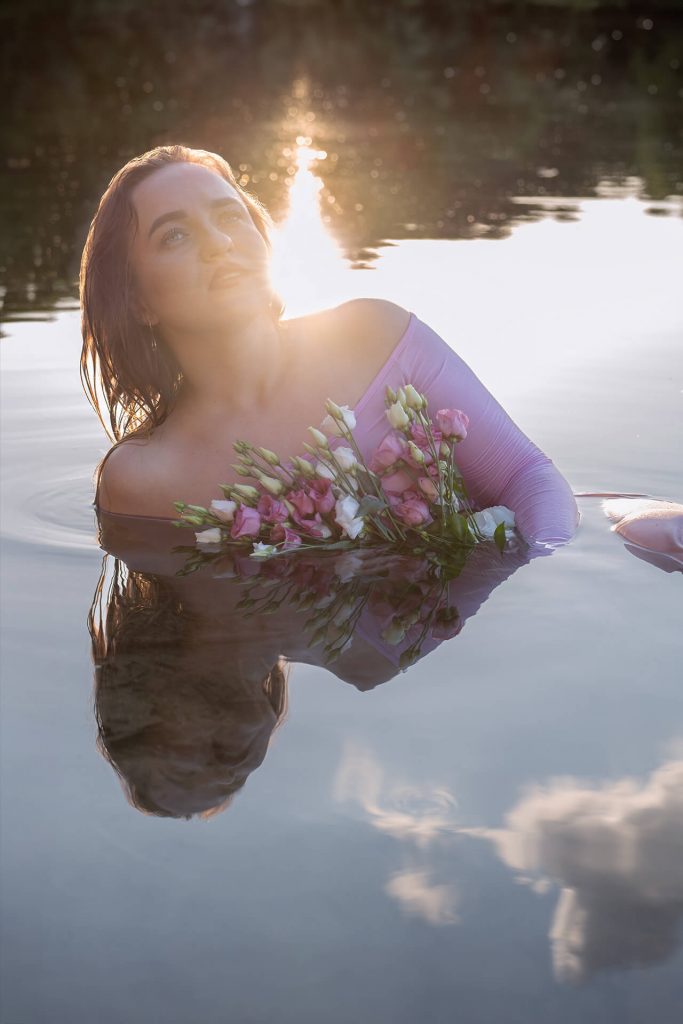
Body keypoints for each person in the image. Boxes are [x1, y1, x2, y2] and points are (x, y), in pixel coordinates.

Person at [80, 144, 581, 550]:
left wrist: (547, 585)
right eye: (174, 236)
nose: (220, 243)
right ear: (138, 300)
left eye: (230, 217)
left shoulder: (372, 336)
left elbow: (528, 477)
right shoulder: (142, 478)